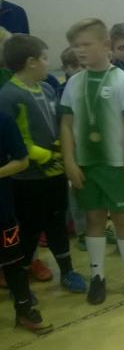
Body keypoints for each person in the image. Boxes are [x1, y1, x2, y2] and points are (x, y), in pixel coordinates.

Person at [60, 18, 124, 305]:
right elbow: (66, 124)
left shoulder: (123, 81)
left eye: (86, 44)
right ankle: (97, 276)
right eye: (75, 46)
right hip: (86, 166)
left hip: (115, 166)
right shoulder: (74, 83)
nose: (80, 51)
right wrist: (69, 161)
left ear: (106, 44)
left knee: (123, 219)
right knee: (94, 220)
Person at [0, 34, 88, 293]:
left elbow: (58, 125)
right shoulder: (8, 96)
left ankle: (68, 271)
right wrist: (44, 156)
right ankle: (23, 280)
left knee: (57, 223)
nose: (48, 63)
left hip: (55, 174)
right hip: (27, 178)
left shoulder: (48, 88)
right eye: (45, 58)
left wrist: (61, 149)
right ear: (31, 62)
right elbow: (12, 139)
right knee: (29, 229)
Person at [0, 111, 52, 333]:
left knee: (13, 262)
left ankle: (24, 310)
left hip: (2, 211)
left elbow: (22, 161)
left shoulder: (3, 120)